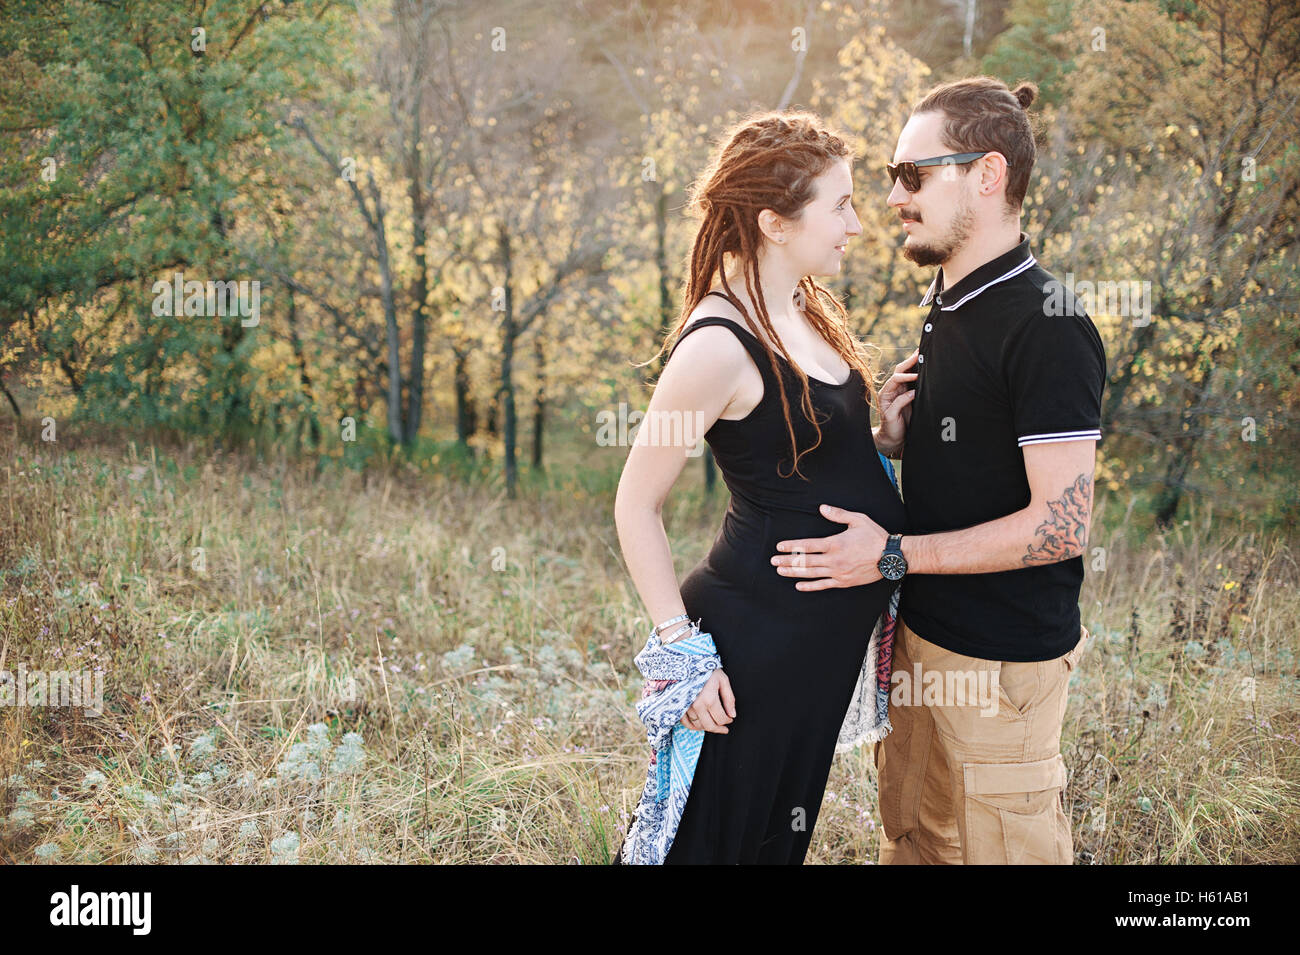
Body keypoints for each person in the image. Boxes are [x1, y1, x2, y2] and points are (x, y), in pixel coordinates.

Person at [768, 77, 1107, 864]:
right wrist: (895, 444)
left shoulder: (1048, 323)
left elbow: (1060, 525)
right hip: (920, 642)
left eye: (912, 175)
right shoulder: (948, 298)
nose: (891, 197)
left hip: (1000, 664)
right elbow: (973, 467)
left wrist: (891, 554)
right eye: (892, 176)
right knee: (913, 841)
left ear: (987, 176)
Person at [612, 111, 916, 864]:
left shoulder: (804, 306)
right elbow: (635, 505)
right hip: (751, 646)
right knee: (714, 846)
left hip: (812, 652)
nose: (856, 224)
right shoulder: (717, 345)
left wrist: (879, 440)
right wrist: (685, 654)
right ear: (775, 222)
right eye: (839, 206)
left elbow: (793, 456)